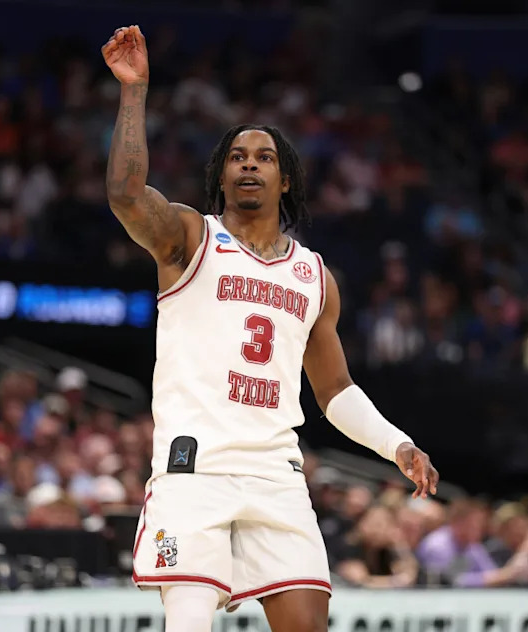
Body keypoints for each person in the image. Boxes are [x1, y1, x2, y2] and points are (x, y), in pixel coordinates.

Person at [102, 25, 438, 632]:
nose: (249, 164)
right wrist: (135, 92)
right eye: (236, 157)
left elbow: (336, 393)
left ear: (286, 181)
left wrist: (398, 444)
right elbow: (126, 196)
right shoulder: (190, 239)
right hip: (194, 467)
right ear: (221, 177)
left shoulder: (314, 276)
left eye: (264, 158)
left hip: (275, 471)